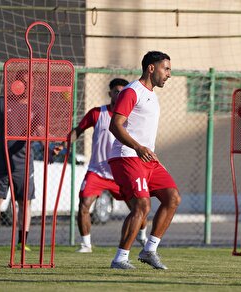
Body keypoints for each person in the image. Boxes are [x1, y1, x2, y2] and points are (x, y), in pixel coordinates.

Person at [108, 51, 181, 270]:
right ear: (151, 68)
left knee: (173, 198)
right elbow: (115, 125)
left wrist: (148, 151)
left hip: (147, 158)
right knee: (142, 205)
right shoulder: (132, 91)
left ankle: (150, 250)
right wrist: (138, 147)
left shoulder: (153, 96)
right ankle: (120, 258)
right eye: (165, 68)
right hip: (127, 156)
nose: (169, 74)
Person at [0, 72, 60, 251]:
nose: (26, 85)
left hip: (23, 163)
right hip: (1, 161)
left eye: (29, 83)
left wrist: (48, 148)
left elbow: (40, 132)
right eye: (23, 82)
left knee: (24, 202)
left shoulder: (36, 106)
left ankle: (22, 242)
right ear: (15, 83)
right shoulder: (1, 103)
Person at [69, 78, 148, 253]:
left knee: (139, 207)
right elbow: (78, 131)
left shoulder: (133, 116)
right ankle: (86, 245)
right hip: (97, 170)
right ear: (110, 93)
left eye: (122, 91)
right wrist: (63, 146)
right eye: (116, 91)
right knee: (84, 204)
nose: (119, 94)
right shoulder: (98, 113)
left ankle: (142, 236)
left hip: (121, 172)